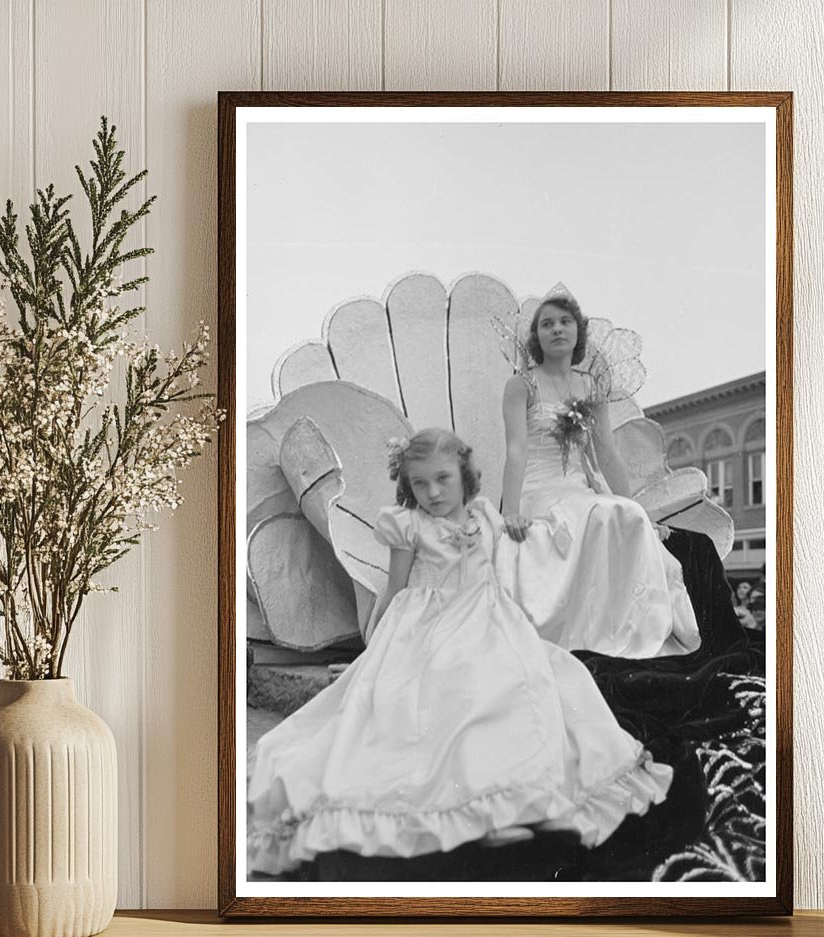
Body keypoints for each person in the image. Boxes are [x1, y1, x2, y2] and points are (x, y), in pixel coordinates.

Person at [247, 428, 673, 876]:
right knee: (447, 696)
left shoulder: (486, 515)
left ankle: (511, 800)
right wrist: (372, 651)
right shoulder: (407, 525)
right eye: (420, 484)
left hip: (487, 615)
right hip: (425, 626)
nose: (432, 492)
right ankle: (474, 808)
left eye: (443, 479)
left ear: (465, 475)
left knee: (538, 685)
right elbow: (395, 588)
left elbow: (507, 566)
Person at [496, 287, 701, 660]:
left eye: (564, 321)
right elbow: (516, 449)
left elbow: (606, 453)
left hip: (578, 487)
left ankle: (630, 631)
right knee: (597, 514)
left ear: (578, 331)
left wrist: (640, 510)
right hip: (538, 488)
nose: (556, 329)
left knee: (621, 513)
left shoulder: (590, 385)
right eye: (547, 324)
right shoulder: (520, 384)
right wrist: (510, 510)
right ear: (536, 336)